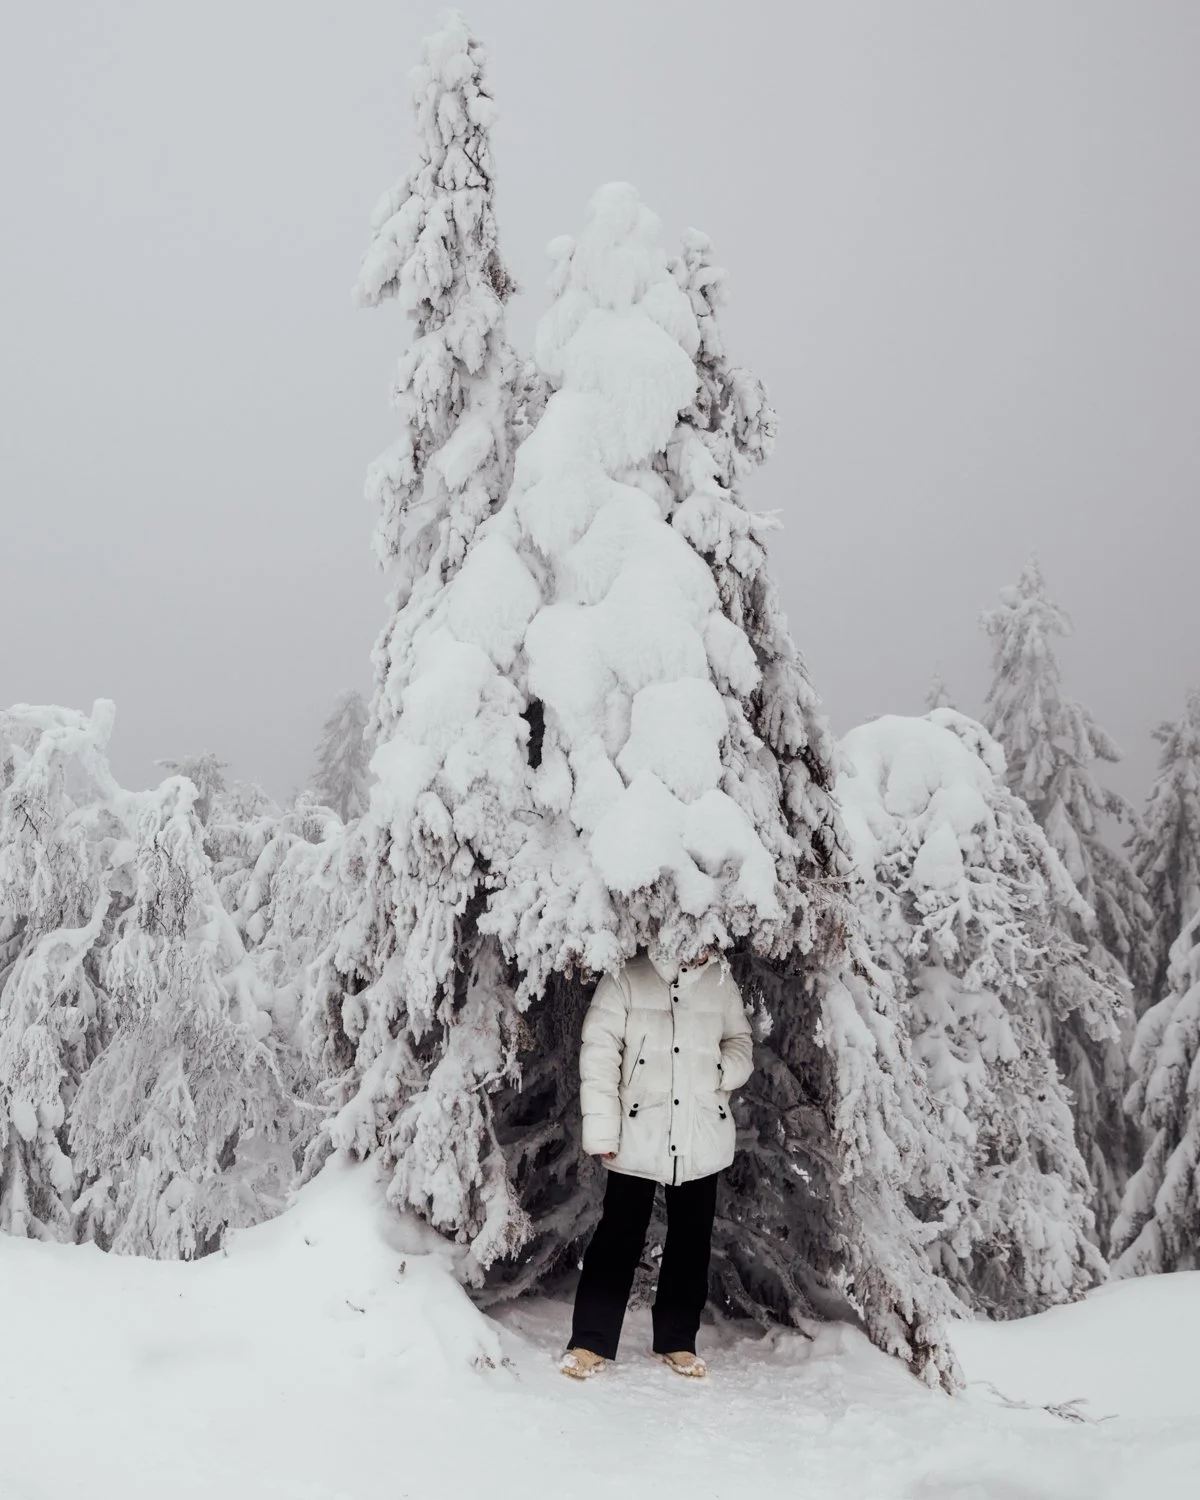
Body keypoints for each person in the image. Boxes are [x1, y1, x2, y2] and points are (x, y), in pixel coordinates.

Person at [560, 947, 754, 1381]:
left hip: (700, 1129)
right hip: (639, 1128)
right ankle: (590, 1341)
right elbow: (599, 1054)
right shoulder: (627, 977)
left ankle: (677, 1340)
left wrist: (722, 1071)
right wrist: (603, 1131)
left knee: (692, 1240)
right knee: (618, 1237)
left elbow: (740, 1041)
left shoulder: (719, 979)